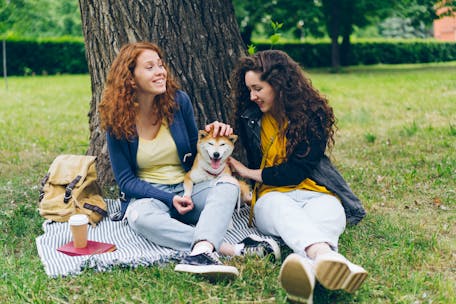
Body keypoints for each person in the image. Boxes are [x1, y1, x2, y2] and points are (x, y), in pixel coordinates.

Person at [98, 42, 280, 280]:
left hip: (190, 189)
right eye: (150, 67)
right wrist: (169, 198)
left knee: (229, 186)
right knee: (138, 218)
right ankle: (227, 249)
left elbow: (195, 153)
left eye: (160, 65)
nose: (160, 71)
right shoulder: (117, 120)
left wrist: (213, 137)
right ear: (130, 77)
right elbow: (126, 182)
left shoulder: (178, 102)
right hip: (151, 196)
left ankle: (202, 252)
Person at [229, 50, 368, 302]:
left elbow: (296, 171)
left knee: (327, 214)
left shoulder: (313, 114)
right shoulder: (250, 116)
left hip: (317, 191)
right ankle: (330, 259)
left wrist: (248, 172)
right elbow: (279, 178)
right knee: (285, 212)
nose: (252, 96)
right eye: (249, 89)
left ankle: (307, 268)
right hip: (272, 196)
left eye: (258, 88)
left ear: (278, 84)